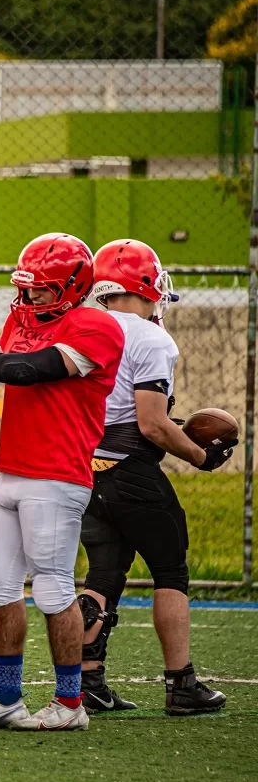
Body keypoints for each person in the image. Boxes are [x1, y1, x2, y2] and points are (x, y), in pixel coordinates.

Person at [0, 233, 124, 732]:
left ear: (72, 286)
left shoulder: (97, 325)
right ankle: (6, 700)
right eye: (25, 289)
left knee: (52, 588)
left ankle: (69, 705)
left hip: (58, 473)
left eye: (40, 290)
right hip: (13, 470)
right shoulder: (22, 318)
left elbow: (30, 368)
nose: (27, 299)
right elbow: (6, 361)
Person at [77, 239, 230, 715]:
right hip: (132, 471)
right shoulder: (152, 338)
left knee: (103, 572)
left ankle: (87, 680)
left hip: (85, 468)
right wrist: (200, 456)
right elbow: (151, 423)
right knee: (170, 571)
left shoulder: (82, 326)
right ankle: (181, 685)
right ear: (146, 284)